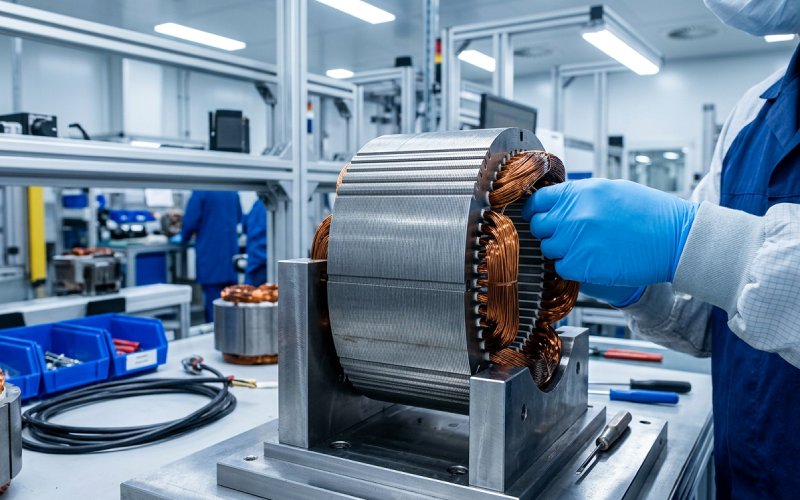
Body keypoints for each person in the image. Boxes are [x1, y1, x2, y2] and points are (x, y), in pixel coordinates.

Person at [523, 1, 800, 497]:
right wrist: (643, 292)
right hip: (749, 474)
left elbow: (707, 253)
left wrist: (692, 242)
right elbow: (709, 319)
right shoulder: (753, 114)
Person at [181, 191, 242, 322]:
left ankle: (214, 335)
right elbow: (238, 218)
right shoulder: (232, 192)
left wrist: (183, 238)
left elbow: (191, 222)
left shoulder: (201, 192)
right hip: (230, 254)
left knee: (214, 303)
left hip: (210, 254)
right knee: (231, 301)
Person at [243, 199, 267, 286]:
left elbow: (244, 225)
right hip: (262, 263)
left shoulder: (259, 205)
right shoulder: (269, 205)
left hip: (256, 262)